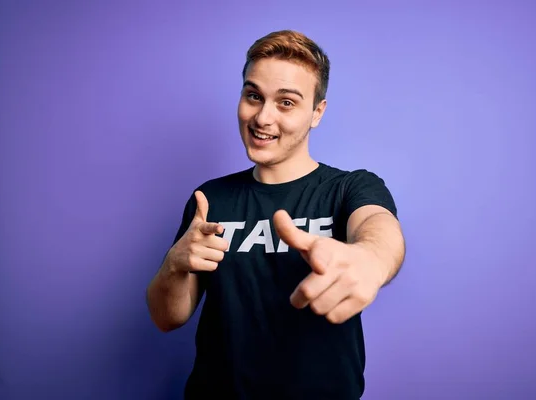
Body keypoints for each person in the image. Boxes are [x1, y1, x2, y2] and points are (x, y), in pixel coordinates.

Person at [146, 29, 406, 400]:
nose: (263, 117)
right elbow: (165, 318)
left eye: (286, 103)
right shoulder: (210, 198)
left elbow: (377, 227)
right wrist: (175, 264)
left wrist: (371, 259)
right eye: (254, 96)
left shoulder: (350, 188)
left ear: (317, 112)